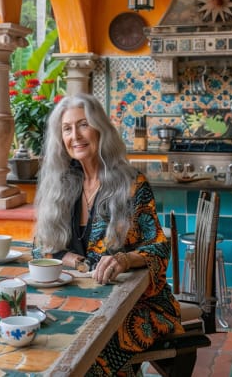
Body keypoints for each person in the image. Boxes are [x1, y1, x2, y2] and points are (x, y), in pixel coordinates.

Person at [34, 93, 183, 376]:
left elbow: (159, 248)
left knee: (89, 352)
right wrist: (76, 262)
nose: (75, 135)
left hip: (137, 306)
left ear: (100, 129)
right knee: (41, 340)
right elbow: (40, 247)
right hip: (82, 302)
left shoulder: (131, 184)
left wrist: (125, 260)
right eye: (67, 128)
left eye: (83, 125)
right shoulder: (60, 186)